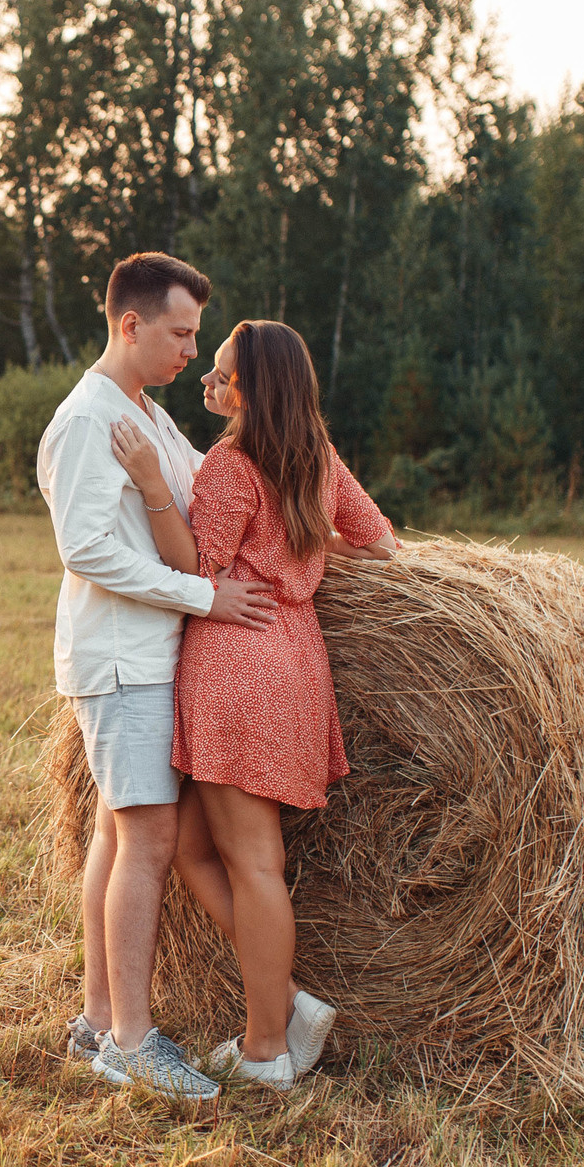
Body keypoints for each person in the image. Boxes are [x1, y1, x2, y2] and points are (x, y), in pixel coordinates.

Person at [115, 318, 396, 1093]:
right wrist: (302, 548)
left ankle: (267, 1047)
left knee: (253, 862)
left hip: (238, 663)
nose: (210, 379)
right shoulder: (317, 457)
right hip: (296, 659)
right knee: (192, 845)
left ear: (253, 388)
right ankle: (290, 1005)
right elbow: (380, 545)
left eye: (223, 372)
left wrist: (148, 482)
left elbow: (192, 566)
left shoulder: (232, 464)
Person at [36, 252, 274, 1103]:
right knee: (148, 841)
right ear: (129, 324)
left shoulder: (148, 413)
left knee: (114, 833)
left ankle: (102, 1017)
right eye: (180, 333)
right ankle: (133, 1043)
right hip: (124, 660)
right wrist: (204, 597)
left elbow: (201, 492)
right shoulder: (86, 421)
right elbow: (89, 550)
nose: (191, 349)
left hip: (145, 654)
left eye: (197, 335)